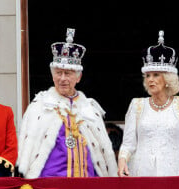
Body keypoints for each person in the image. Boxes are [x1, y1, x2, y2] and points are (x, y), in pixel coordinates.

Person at [17, 28, 117, 178]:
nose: (62, 78)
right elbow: (26, 149)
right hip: (50, 182)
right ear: (53, 76)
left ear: (78, 77)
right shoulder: (39, 106)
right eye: (58, 73)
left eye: (68, 73)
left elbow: (103, 151)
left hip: (86, 181)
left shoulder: (90, 108)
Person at [118, 30, 179, 177]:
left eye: (156, 75)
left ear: (168, 79)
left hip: (176, 176)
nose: (150, 79)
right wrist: (122, 161)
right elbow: (128, 144)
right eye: (147, 75)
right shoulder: (137, 105)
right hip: (143, 175)